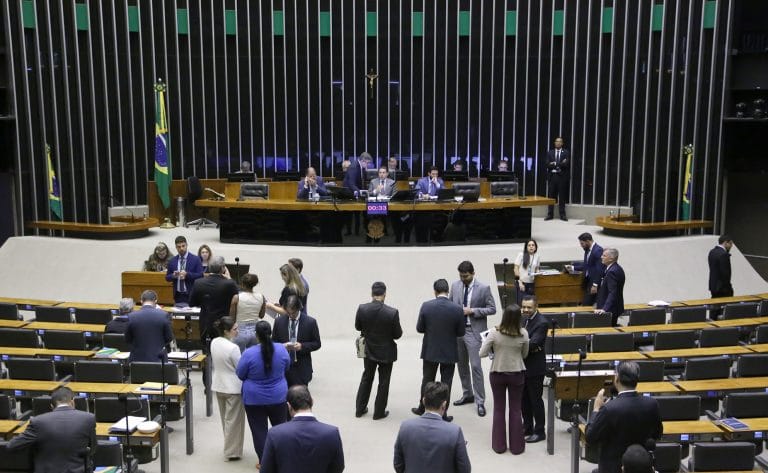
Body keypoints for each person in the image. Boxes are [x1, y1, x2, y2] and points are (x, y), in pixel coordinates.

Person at [585, 361, 663, 473]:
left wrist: (596, 409)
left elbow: (590, 437)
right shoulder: (652, 404)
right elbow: (657, 434)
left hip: (612, 468)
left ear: (617, 379)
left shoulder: (609, 409)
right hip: (641, 467)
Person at [236, 320, 291, 467]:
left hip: (254, 399)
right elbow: (287, 367)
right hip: (278, 396)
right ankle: (281, 460)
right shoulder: (281, 349)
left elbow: (240, 374)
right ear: (271, 333)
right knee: (280, 429)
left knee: (259, 432)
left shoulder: (249, 353)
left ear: (256, 335)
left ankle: (264, 462)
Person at [7, 386, 97, 473]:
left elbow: (12, 446)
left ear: (51, 406)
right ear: (73, 402)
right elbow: (93, 448)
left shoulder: (37, 421)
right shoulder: (88, 419)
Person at [411, 278, 465, 422]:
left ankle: (422, 408)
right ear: (448, 291)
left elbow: (419, 328)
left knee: (427, 380)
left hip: (430, 350)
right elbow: (461, 332)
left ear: (435, 291)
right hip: (449, 351)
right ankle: (443, 412)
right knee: (447, 382)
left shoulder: (426, 306)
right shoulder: (457, 309)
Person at [479, 304, 529, 454]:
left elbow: (482, 353)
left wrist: (493, 348)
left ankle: (499, 446)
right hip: (517, 373)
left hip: (498, 373)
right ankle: (517, 447)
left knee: (499, 409)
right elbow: (525, 355)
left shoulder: (494, 333)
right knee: (515, 410)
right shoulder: (523, 333)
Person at [260, 385, 345, 473]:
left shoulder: (275, 433)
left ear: (289, 406)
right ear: (312, 401)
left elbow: (266, 470)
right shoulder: (331, 433)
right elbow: (338, 467)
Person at [450, 260, 497, 417]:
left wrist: (473, 311)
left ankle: (480, 401)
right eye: (461, 276)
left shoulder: (483, 288)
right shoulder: (455, 286)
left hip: (473, 331)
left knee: (475, 367)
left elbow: (492, 309)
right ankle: (467, 394)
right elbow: (450, 305)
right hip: (458, 332)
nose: (463, 279)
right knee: (461, 366)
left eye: (466, 276)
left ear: (473, 273)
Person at [394, 381, 471, 473]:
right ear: (444, 405)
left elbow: (398, 464)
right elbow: (465, 469)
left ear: (423, 401)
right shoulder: (454, 432)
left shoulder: (405, 427)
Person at [354, 281, 403, 420]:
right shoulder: (392, 312)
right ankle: (378, 412)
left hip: (368, 350)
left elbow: (358, 326)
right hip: (386, 352)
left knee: (366, 378)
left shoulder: (362, 308)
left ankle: (359, 409)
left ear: (371, 293)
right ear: (385, 294)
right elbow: (397, 334)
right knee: (384, 382)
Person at [210, 316, 245, 461]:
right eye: (234, 329)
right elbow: (241, 368)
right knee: (234, 422)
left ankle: (230, 447)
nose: (237, 331)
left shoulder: (214, 342)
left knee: (226, 420)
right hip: (233, 388)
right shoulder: (233, 348)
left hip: (219, 385)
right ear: (226, 331)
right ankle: (231, 452)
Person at [189, 256, 240, 346]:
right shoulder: (229, 284)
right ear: (222, 268)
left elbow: (191, 303)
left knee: (206, 352)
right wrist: (230, 278)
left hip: (205, 323)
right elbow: (239, 297)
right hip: (223, 324)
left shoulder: (198, 282)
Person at [272, 295, 321, 386]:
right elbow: (273, 343)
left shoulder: (310, 322)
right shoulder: (279, 322)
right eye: (288, 313)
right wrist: (283, 346)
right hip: (283, 368)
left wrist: (302, 346)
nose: (291, 316)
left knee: (300, 397)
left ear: (299, 308)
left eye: (293, 313)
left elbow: (317, 343)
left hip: (302, 368)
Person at [520, 296, 548, 444]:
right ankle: (527, 426)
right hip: (522, 365)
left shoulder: (542, 323)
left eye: (528, 307)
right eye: (523, 307)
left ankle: (540, 431)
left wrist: (514, 343)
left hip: (535, 368)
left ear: (536, 306)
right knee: (523, 399)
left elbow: (534, 343)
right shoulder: (523, 318)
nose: (525, 310)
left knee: (535, 400)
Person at [124, 290, 174, 363]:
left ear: (141, 301)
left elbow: (127, 339)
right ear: (156, 301)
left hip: (136, 361)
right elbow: (169, 338)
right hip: (158, 360)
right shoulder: (164, 315)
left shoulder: (132, 316)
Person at [229, 273, 266, 352]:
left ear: (242, 284)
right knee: (253, 357)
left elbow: (231, 318)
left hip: (240, 331)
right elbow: (261, 315)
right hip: (255, 332)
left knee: (238, 357)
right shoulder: (261, 297)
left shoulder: (237, 297)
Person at [165, 235, 204, 306]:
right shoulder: (172, 261)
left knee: (191, 316)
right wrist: (174, 276)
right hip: (178, 295)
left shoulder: (195, 259)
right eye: (179, 247)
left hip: (191, 294)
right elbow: (167, 278)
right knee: (179, 317)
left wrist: (187, 274)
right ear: (176, 247)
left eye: (183, 246)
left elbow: (201, 276)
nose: (181, 248)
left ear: (187, 245)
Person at [571, 233, 605, 306]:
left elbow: (599, 269)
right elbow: (587, 265)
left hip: (594, 283)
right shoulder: (587, 249)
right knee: (586, 303)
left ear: (588, 241)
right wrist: (572, 267)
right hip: (588, 281)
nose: (581, 245)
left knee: (587, 304)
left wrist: (595, 285)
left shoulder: (598, 250)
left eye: (582, 243)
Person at [595, 248, 626, 326]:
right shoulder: (616, 268)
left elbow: (613, 292)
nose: (601, 257)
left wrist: (605, 309)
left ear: (611, 258)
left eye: (604, 255)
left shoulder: (612, 271)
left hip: (610, 309)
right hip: (613, 307)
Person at [544, 136, 570, 221]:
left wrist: (554, 163)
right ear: (554, 143)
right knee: (551, 197)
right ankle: (550, 214)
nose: (558, 143)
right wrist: (559, 163)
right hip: (552, 177)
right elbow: (547, 164)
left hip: (562, 177)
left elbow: (566, 164)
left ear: (562, 143)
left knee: (562, 197)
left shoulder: (566, 152)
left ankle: (562, 215)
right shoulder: (550, 152)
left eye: (560, 141)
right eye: (556, 141)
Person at [514, 240, 540, 305]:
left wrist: (539, 273)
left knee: (530, 304)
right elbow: (515, 269)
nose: (531, 247)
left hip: (531, 284)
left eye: (533, 245)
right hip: (521, 283)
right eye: (529, 245)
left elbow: (537, 269)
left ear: (535, 247)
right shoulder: (521, 255)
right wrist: (520, 283)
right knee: (521, 304)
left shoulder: (537, 256)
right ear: (526, 247)